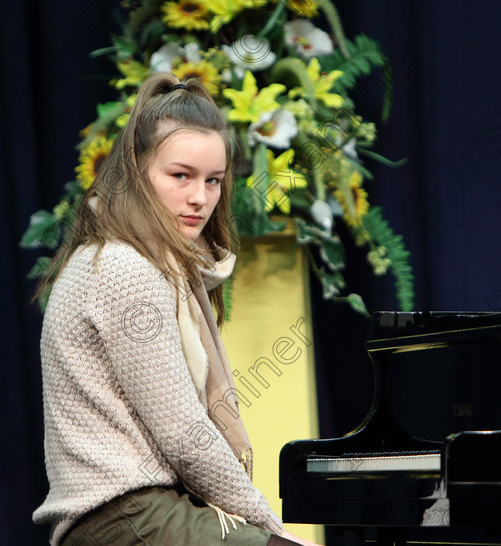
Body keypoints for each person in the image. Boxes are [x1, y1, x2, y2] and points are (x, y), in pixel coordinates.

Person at [32, 73, 320, 546]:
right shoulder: (127, 269)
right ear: (136, 168)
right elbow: (187, 438)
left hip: (147, 509)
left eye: (213, 181)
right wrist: (274, 530)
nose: (200, 198)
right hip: (123, 515)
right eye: (180, 175)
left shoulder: (148, 261)